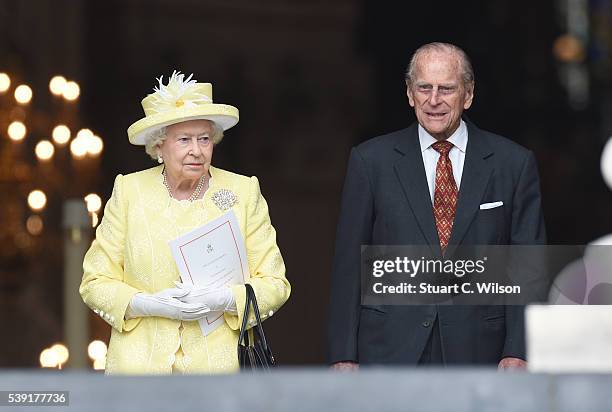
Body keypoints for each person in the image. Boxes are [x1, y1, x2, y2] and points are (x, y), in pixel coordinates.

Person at [328, 43, 545, 369]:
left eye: (446, 89)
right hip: (389, 347)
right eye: (424, 88)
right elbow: (349, 265)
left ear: (468, 94)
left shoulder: (513, 164)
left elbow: (528, 266)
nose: (433, 100)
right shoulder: (370, 161)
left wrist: (519, 349)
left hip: (480, 350)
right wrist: (343, 354)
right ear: (409, 93)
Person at [80, 71, 290, 374]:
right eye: (184, 140)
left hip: (220, 374)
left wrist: (222, 299)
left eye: (204, 139)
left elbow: (275, 284)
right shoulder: (129, 191)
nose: (197, 150)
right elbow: (94, 283)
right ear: (159, 146)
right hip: (139, 374)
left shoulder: (243, 192)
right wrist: (150, 305)